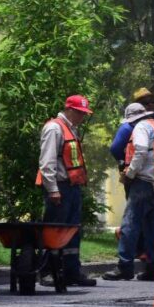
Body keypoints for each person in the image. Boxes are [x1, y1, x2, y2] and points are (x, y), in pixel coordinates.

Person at [102, 103, 154, 281]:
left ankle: (124, 266)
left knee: (130, 224)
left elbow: (140, 151)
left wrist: (130, 173)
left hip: (143, 182)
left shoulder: (141, 127)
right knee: (152, 228)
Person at [36, 94, 96, 287]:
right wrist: (52, 189)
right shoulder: (54, 128)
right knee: (54, 230)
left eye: (84, 114)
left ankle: (71, 271)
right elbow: (47, 162)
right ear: (69, 109)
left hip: (72, 187)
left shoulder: (71, 129)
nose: (82, 117)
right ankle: (46, 271)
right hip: (59, 187)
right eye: (79, 113)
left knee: (72, 231)